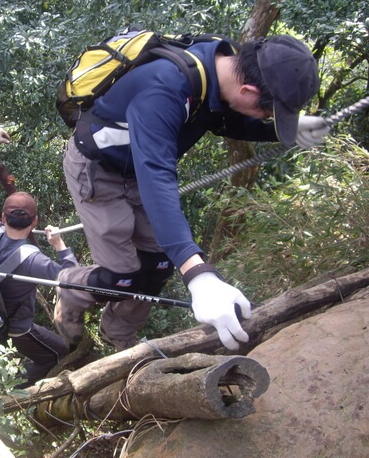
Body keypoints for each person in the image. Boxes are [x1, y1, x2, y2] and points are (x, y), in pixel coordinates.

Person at [54, 34, 331, 352]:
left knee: (157, 267)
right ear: (249, 91)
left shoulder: (222, 68)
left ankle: (118, 335)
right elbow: (156, 177)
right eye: (267, 114)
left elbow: (226, 120)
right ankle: (71, 287)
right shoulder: (166, 88)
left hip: (137, 168)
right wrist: (199, 274)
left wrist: (282, 131)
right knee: (121, 276)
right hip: (98, 170)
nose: (266, 118)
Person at [0, 126, 79, 387]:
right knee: (57, 353)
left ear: (2, 217)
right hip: (14, 328)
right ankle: (10, 388)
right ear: (35, 222)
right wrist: (59, 245)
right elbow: (74, 281)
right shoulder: (33, 260)